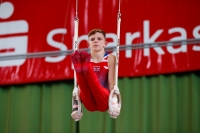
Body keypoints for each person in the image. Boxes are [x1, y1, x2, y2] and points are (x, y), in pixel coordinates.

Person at [70, 29, 120, 121]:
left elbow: (111, 84)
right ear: (88, 44)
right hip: (88, 101)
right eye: (92, 39)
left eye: (99, 39)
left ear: (105, 43)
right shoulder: (83, 58)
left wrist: (114, 102)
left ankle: (86, 68)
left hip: (103, 100)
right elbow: (81, 87)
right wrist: (76, 105)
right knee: (84, 85)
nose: (96, 41)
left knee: (95, 84)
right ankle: (81, 70)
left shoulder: (111, 58)